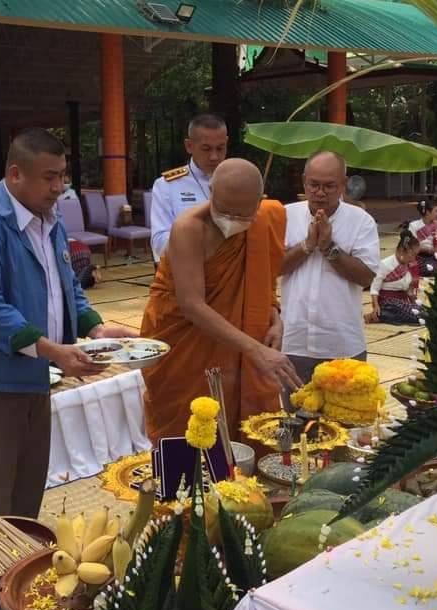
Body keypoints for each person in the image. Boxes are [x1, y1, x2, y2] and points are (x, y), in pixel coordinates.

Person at [0, 128, 136, 517]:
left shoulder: (51, 220)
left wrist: (95, 328)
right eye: (49, 177)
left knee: (29, 487)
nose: (59, 187)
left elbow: (66, 286)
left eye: (63, 175)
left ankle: (23, 556)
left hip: (37, 374)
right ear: (15, 174)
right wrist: (53, 351)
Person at [140, 159, 300, 444]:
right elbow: (192, 305)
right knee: (187, 431)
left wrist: (274, 315)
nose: (231, 220)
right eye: (224, 211)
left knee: (243, 429)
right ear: (211, 192)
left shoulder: (266, 218)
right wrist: (255, 350)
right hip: (185, 347)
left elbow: (262, 279)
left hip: (233, 348)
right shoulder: (189, 227)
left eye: (242, 215)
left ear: (258, 203)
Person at [280, 151, 381, 386]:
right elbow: (273, 268)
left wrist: (329, 248)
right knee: (295, 410)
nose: (320, 192)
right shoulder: (286, 215)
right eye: (314, 185)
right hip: (293, 342)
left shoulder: (361, 221)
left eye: (329, 186)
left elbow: (366, 277)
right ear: (304, 181)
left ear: (344, 184)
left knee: (344, 410)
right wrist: (306, 246)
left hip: (342, 345)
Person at [149, 113, 228, 263]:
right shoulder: (167, 185)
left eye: (220, 148)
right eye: (206, 149)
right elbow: (159, 245)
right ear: (189, 146)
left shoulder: (236, 181)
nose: (214, 156)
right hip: (189, 269)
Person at [368, 227, 422, 325]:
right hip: (388, 302)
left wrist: (414, 303)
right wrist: (376, 306)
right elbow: (374, 288)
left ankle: (385, 316)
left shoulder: (411, 265)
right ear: (401, 251)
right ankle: (380, 315)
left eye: (416, 255)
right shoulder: (385, 264)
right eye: (412, 254)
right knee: (416, 316)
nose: (414, 258)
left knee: (422, 312)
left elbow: (409, 291)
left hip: (402, 302)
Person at [409, 198, 437, 276]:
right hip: (418, 255)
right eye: (436, 211)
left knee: (431, 269)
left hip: (435, 256)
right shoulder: (414, 226)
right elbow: (410, 245)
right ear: (427, 212)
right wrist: (426, 249)